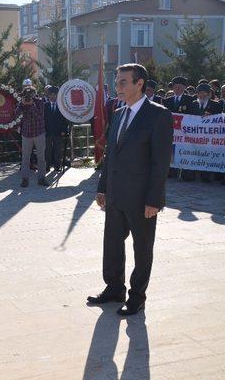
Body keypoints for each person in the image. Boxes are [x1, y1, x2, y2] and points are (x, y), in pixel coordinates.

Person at [89, 63, 173, 316]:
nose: (118, 87)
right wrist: (102, 188)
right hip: (115, 194)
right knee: (112, 243)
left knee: (142, 247)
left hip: (141, 198)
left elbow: (161, 162)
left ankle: (137, 296)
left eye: (123, 82)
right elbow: (111, 155)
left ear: (140, 84)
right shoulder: (118, 113)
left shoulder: (158, 115)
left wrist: (154, 199)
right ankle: (114, 288)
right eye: (117, 82)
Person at [188, 83, 223, 183]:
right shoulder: (193, 104)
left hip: (209, 137)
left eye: (204, 93)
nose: (202, 95)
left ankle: (206, 176)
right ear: (197, 94)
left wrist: (210, 117)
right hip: (194, 137)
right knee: (193, 154)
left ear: (208, 94)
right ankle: (190, 174)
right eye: (199, 93)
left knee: (206, 155)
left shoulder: (216, 105)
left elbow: (219, 120)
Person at [14, 85, 48, 187]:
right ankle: (25, 179)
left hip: (39, 132)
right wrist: (23, 104)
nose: (29, 96)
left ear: (34, 94)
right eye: (27, 94)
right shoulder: (22, 102)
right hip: (26, 133)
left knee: (41, 157)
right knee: (25, 158)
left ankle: (42, 178)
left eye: (31, 94)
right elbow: (16, 114)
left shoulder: (40, 102)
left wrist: (31, 104)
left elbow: (39, 115)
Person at [44, 85, 69, 172]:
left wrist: (63, 130)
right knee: (47, 150)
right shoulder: (45, 106)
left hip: (59, 132)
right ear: (48, 96)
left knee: (58, 150)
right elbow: (42, 119)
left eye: (54, 95)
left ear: (57, 95)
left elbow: (64, 119)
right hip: (47, 132)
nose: (52, 96)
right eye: (51, 95)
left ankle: (57, 166)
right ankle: (46, 166)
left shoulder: (61, 106)